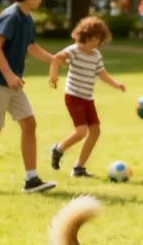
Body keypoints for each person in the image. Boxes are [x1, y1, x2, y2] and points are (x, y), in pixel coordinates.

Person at [0, 0, 57, 193]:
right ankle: (31, 179)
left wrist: (53, 59)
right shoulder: (11, 16)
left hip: (13, 84)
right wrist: (8, 75)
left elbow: (31, 47)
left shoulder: (26, 18)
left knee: (29, 123)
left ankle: (31, 179)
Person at [47, 17, 126, 178]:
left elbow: (102, 74)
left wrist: (116, 84)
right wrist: (53, 75)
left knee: (95, 131)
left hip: (87, 98)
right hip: (73, 96)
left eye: (98, 39)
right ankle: (58, 149)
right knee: (81, 131)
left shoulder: (96, 55)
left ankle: (79, 168)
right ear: (84, 36)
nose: (95, 42)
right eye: (92, 38)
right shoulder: (74, 50)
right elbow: (56, 59)